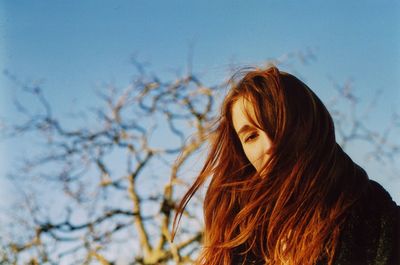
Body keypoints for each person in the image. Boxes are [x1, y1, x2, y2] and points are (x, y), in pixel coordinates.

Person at [172, 66, 400, 264]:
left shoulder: (382, 223)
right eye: (251, 136)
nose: (270, 145)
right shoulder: (238, 244)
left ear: (311, 126)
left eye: (279, 124)